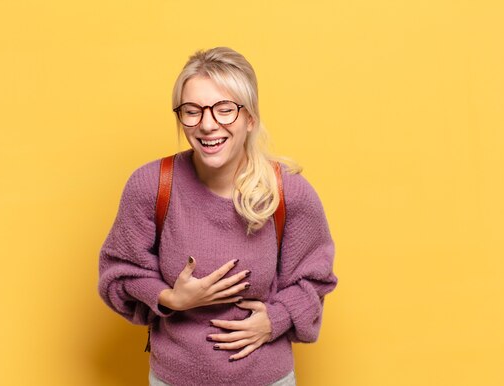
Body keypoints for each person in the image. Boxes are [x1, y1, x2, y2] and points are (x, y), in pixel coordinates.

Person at [98, 47, 338, 386]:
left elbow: (316, 278)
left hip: (268, 379)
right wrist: (171, 298)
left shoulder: (289, 192)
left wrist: (277, 318)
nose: (207, 125)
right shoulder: (151, 185)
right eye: (192, 111)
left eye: (225, 110)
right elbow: (119, 272)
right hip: (173, 379)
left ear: (250, 117)